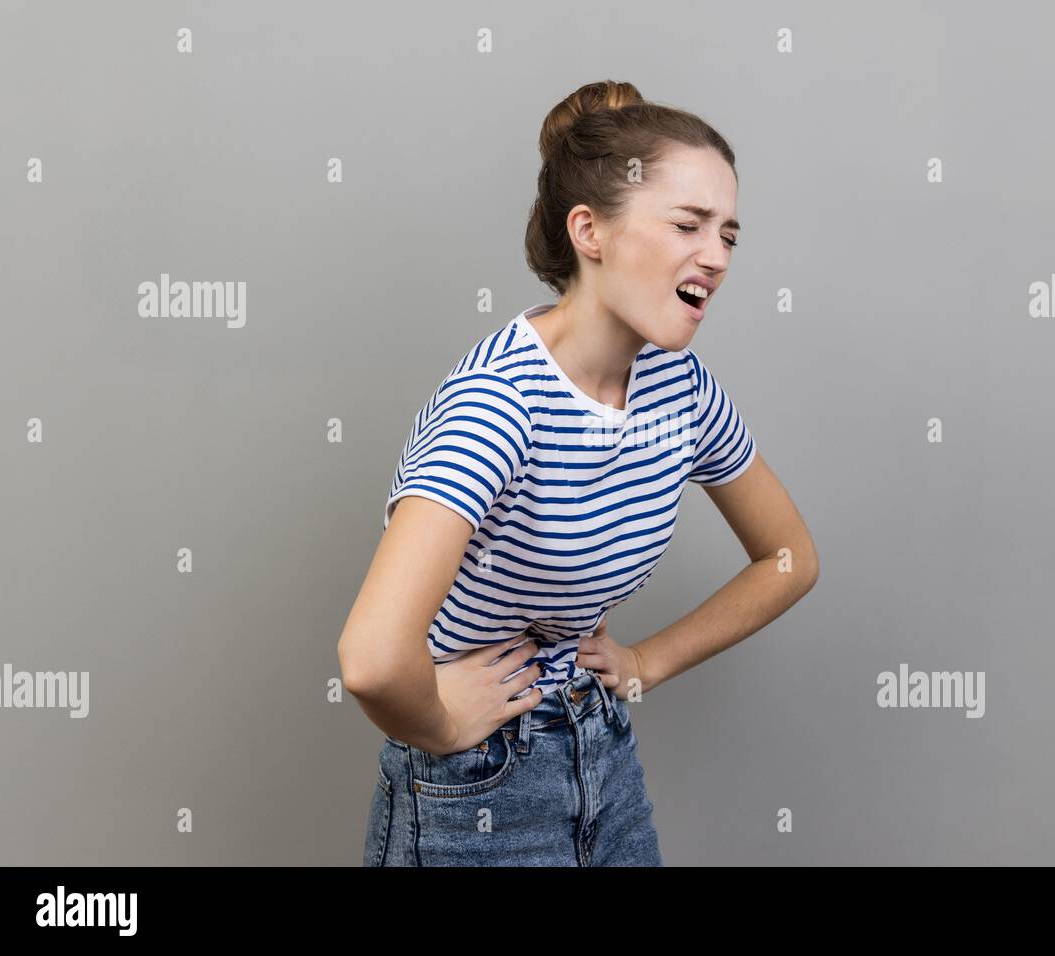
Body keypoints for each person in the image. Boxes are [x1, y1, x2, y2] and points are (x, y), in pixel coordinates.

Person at [338, 80, 820, 866]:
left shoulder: (681, 388)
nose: (718, 257)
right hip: (475, 792)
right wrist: (439, 724)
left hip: (603, 759)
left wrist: (645, 663)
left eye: (730, 234)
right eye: (689, 225)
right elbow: (371, 660)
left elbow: (790, 559)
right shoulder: (498, 403)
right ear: (590, 231)